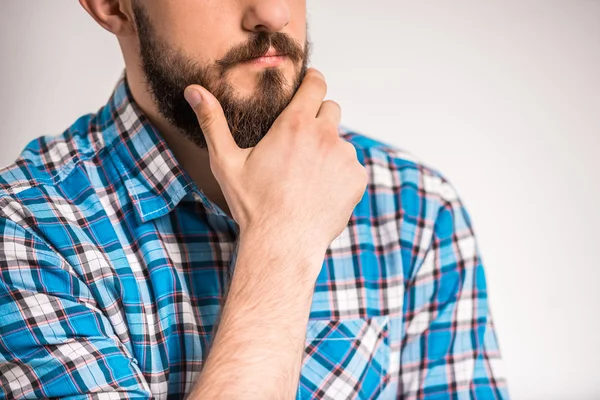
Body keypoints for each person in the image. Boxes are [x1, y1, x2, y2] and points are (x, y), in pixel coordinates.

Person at [0, 0, 509, 399]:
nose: (273, 12)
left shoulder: (411, 208)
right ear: (112, 4)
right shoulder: (25, 230)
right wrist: (283, 242)